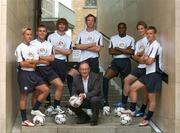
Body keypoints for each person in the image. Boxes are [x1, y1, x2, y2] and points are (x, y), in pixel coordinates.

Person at [121, 26, 163, 126]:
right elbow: (141, 59)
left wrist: (144, 58)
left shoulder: (156, 45)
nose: (148, 35)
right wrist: (144, 58)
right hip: (147, 73)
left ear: (155, 34)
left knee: (151, 98)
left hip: (154, 74)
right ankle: (132, 110)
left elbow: (148, 61)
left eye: (151, 33)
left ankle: (147, 119)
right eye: (147, 33)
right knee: (132, 88)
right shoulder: (149, 45)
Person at [15, 27, 49, 127]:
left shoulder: (33, 47)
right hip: (24, 74)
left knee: (46, 89)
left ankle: (35, 109)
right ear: (23, 36)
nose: (29, 36)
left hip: (33, 74)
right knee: (24, 96)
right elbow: (21, 64)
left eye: (30, 34)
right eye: (27, 34)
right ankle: (24, 119)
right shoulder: (20, 47)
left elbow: (36, 60)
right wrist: (32, 63)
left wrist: (31, 62)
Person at [114, 21, 148, 117]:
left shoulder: (148, 39)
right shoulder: (138, 42)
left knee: (146, 90)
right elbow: (134, 56)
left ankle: (142, 110)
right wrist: (140, 56)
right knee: (126, 80)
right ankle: (124, 103)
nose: (140, 30)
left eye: (142, 28)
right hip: (140, 67)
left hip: (147, 69)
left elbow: (146, 55)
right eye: (139, 29)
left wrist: (140, 56)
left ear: (146, 28)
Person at [31, 24, 65, 114]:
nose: (42, 32)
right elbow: (32, 59)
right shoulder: (32, 44)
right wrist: (45, 59)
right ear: (37, 32)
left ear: (46, 33)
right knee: (37, 92)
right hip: (36, 70)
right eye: (40, 31)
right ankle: (35, 111)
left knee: (60, 85)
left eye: (44, 31)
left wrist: (39, 57)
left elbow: (52, 58)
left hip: (47, 69)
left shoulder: (49, 44)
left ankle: (56, 106)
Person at [67, 13, 103, 95]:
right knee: (70, 75)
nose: (90, 22)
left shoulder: (98, 34)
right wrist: (91, 44)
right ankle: (73, 98)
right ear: (86, 22)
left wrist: (83, 46)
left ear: (94, 22)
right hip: (82, 60)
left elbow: (97, 49)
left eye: (92, 20)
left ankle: (92, 103)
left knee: (93, 82)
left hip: (93, 60)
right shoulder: (81, 34)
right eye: (88, 20)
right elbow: (78, 46)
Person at [102, 22, 135, 108]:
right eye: (119, 28)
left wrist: (118, 48)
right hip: (115, 62)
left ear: (125, 28)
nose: (121, 29)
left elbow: (131, 52)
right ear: (118, 29)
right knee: (105, 78)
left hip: (126, 62)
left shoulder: (131, 39)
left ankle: (123, 103)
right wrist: (125, 50)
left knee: (125, 83)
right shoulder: (113, 38)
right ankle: (105, 101)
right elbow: (110, 51)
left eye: (123, 28)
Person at [47, 18, 72, 107]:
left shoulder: (68, 38)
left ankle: (56, 105)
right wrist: (63, 51)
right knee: (48, 83)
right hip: (52, 61)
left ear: (66, 26)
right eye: (60, 24)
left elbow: (69, 52)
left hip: (62, 62)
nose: (62, 26)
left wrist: (56, 48)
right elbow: (49, 51)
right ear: (57, 25)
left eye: (63, 24)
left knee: (60, 84)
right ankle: (48, 103)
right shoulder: (51, 36)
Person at [69, 62, 101, 126]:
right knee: (70, 103)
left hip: (94, 100)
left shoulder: (95, 77)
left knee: (94, 99)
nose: (84, 71)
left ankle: (94, 119)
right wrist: (77, 97)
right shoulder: (76, 78)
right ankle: (84, 117)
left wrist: (84, 95)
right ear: (79, 70)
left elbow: (96, 91)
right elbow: (73, 92)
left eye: (86, 69)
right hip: (83, 100)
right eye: (82, 69)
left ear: (89, 70)